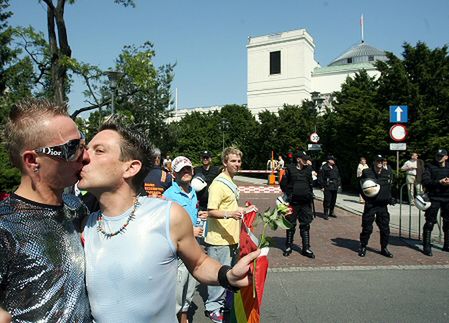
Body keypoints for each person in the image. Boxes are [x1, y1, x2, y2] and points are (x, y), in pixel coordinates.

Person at [78, 120, 259, 323]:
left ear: (130, 168)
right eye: (86, 149)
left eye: (98, 150)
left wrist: (228, 276)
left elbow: (199, 263)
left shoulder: (167, 216)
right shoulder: (85, 226)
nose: (84, 156)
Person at [0, 99, 91, 322]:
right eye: (72, 149)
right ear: (32, 161)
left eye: (82, 144)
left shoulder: (76, 208)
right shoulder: (4, 226)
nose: (85, 156)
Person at [204, 146, 257, 323]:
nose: (237, 164)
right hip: (219, 238)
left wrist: (245, 209)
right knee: (218, 274)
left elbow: (230, 207)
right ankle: (213, 307)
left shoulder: (230, 181)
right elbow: (211, 211)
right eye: (233, 161)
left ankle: (222, 303)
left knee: (228, 273)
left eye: (239, 161)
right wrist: (230, 214)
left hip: (231, 237)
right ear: (225, 162)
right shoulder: (219, 184)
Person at [163, 156, 207, 323]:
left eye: (188, 169)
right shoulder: (169, 195)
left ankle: (184, 316)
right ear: (174, 174)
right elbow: (167, 225)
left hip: (193, 247)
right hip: (178, 250)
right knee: (177, 287)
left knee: (191, 285)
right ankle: (173, 318)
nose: (186, 172)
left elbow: (192, 215)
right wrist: (190, 231)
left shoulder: (193, 192)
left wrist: (201, 217)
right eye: (182, 170)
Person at [280, 151, 315, 258]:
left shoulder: (309, 169)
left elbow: (311, 183)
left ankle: (306, 248)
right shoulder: (290, 169)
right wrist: (290, 194)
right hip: (293, 202)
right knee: (290, 224)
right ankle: (288, 246)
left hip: (305, 202)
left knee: (305, 225)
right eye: (305, 159)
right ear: (298, 159)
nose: (307, 161)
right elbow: (283, 184)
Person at [358, 154, 395, 258]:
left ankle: (384, 248)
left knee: (385, 228)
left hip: (382, 206)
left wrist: (390, 198)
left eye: (381, 161)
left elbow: (389, 188)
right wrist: (367, 200)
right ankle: (363, 246)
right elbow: (361, 187)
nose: (380, 163)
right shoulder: (367, 172)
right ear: (374, 162)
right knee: (367, 228)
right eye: (378, 161)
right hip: (371, 205)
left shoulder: (387, 173)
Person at [421, 149, 449, 256]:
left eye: (441, 156)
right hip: (434, 198)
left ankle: (447, 245)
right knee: (429, 222)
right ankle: (426, 246)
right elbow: (425, 181)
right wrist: (439, 182)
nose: (439, 157)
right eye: (437, 155)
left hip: (447, 198)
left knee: (448, 222)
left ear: (446, 157)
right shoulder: (430, 167)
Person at [318, 155, 341, 219]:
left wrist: (339, 184)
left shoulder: (335, 167)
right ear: (329, 160)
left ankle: (331, 212)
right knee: (327, 200)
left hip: (334, 186)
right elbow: (320, 177)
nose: (334, 161)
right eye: (333, 160)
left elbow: (338, 176)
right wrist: (321, 186)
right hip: (327, 186)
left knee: (333, 200)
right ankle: (325, 213)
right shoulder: (324, 167)